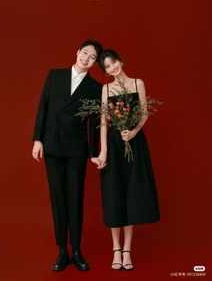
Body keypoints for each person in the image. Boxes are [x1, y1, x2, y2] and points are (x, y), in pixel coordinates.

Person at [32, 40, 103, 272]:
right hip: (52, 145)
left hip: (76, 149)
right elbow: (42, 106)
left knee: (76, 198)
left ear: (95, 63)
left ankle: (77, 250)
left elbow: (94, 123)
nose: (86, 58)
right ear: (77, 52)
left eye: (92, 57)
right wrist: (37, 139)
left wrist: (94, 153)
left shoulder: (95, 87)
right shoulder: (55, 75)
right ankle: (62, 249)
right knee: (58, 198)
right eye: (85, 53)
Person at [95, 49, 160, 271]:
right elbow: (104, 121)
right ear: (105, 72)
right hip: (114, 144)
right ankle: (115, 248)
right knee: (114, 193)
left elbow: (143, 113)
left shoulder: (137, 83)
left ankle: (127, 250)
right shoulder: (105, 89)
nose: (113, 68)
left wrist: (133, 132)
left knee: (131, 193)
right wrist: (103, 151)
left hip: (134, 141)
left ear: (121, 61)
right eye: (107, 67)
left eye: (114, 63)